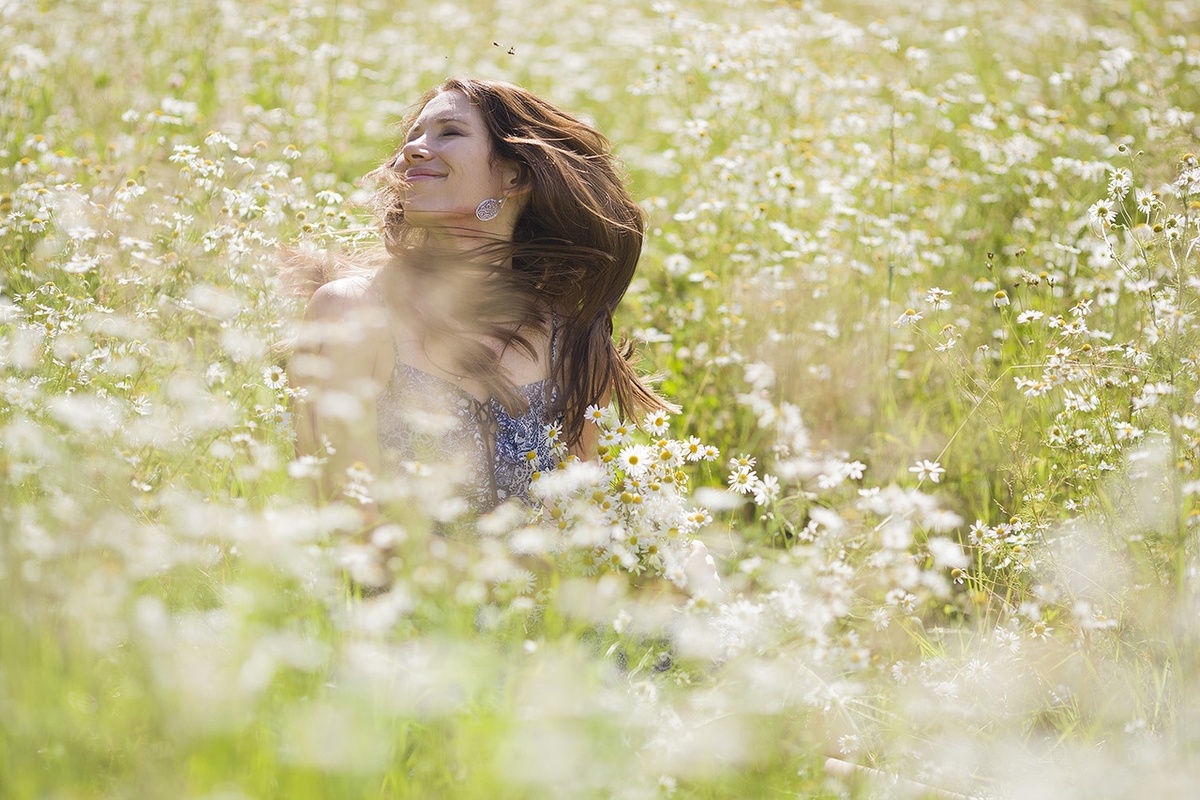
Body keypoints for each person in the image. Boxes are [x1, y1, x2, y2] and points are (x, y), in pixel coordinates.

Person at [286, 78, 676, 516]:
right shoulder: (351, 311)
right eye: (412, 136)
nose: (411, 151)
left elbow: (576, 521)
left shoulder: (573, 341)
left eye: (449, 132)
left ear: (515, 175)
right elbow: (343, 513)